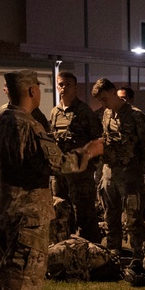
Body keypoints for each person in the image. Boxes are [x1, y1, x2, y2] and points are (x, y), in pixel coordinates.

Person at [0, 71, 102, 290]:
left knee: (9, 263)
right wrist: (88, 152)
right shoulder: (29, 126)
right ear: (32, 91)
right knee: (26, 267)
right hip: (27, 212)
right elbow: (58, 164)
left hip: (2, 209)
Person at [92, 78, 145, 258]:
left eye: (104, 99)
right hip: (110, 172)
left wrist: (134, 166)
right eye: (100, 101)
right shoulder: (107, 114)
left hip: (129, 174)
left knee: (133, 217)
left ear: (113, 92)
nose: (103, 103)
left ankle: (138, 254)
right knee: (110, 216)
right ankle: (114, 252)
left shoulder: (135, 116)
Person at [49, 71, 103, 242]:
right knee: (61, 211)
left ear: (75, 87)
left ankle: (92, 249)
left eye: (68, 84)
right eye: (61, 84)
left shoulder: (84, 111)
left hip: (81, 174)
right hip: (60, 174)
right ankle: (66, 249)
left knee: (85, 212)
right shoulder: (55, 112)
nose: (63, 88)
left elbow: (98, 140)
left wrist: (90, 164)